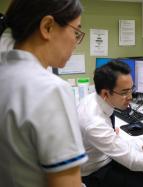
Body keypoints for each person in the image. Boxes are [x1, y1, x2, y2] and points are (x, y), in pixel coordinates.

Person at [0, 0, 88, 187]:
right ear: (47, 27)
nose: (76, 42)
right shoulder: (50, 90)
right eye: (76, 32)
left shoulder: (5, 74)